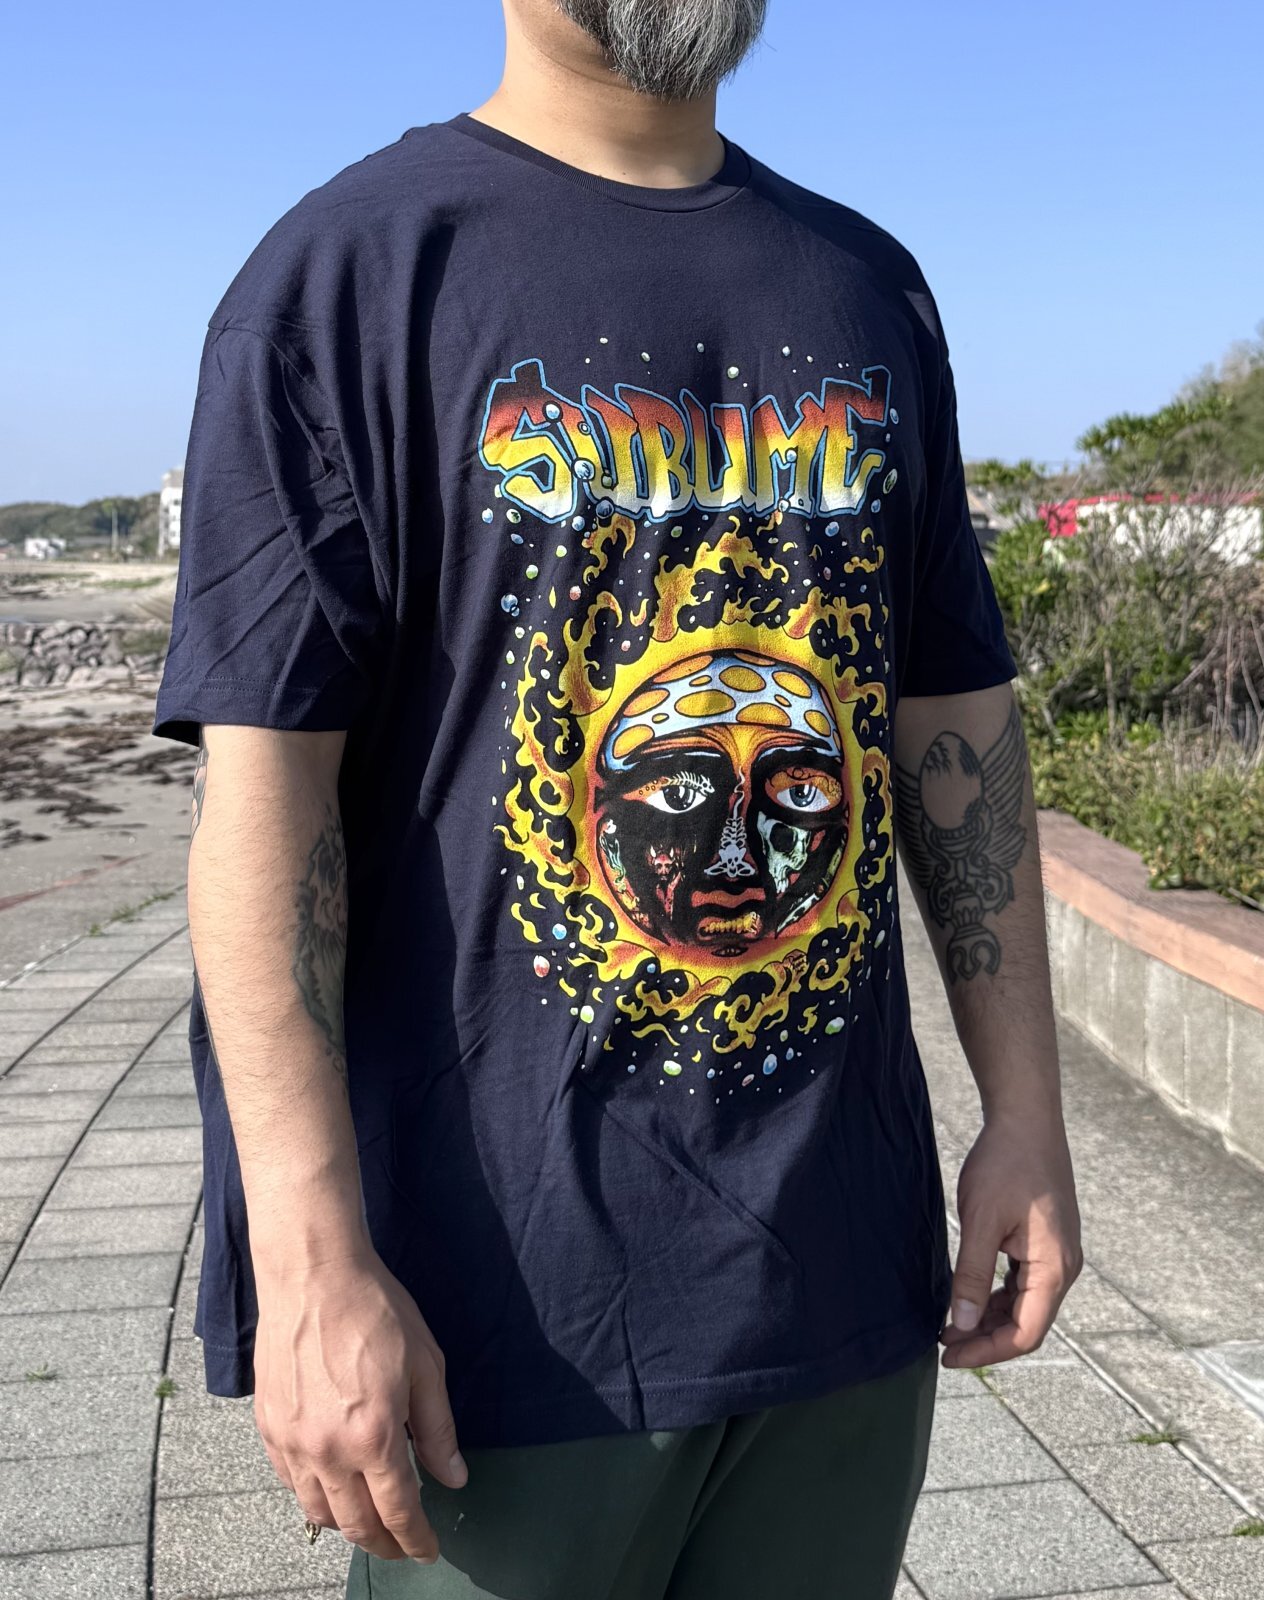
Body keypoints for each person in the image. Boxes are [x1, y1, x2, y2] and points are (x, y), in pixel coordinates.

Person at [153, 0, 1084, 1594]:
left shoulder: (868, 284)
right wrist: (308, 1262)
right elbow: (266, 797)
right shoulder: (349, 277)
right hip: (501, 1325)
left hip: (843, 1281)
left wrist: (1028, 1110)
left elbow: (952, 723)